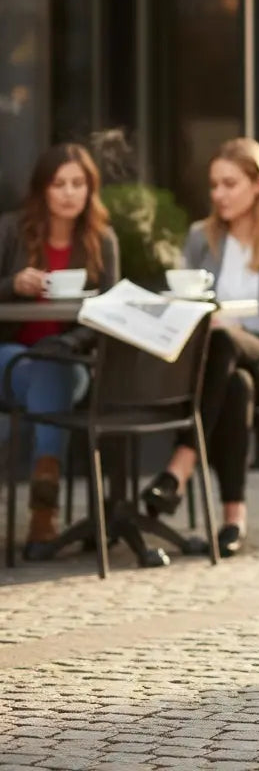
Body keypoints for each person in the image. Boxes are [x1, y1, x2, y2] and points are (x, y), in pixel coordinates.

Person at [141, 138, 259, 557]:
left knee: (223, 338)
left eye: (229, 184)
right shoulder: (201, 238)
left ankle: (179, 467)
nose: (218, 194)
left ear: (257, 185)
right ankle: (232, 519)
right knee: (234, 382)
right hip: (219, 371)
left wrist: (236, 323)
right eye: (213, 185)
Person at [0, 143, 120, 559]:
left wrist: (69, 342)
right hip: (10, 358)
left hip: (74, 360)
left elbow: (110, 314)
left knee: (53, 365)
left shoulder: (101, 241)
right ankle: (43, 502)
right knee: (40, 364)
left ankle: (44, 500)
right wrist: (12, 286)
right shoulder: (10, 231)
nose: (69, 193)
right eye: (59, 184)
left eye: (78, 184)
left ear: (90, 190)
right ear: (42, 190)